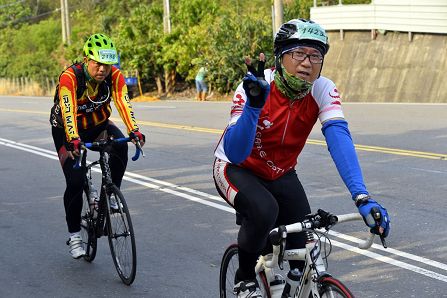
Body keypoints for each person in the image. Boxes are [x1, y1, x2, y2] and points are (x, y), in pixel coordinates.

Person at [212, 19, 390, 297]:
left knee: (304, 240)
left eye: (316, 55)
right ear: (280, 57)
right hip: (237, 168)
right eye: (298, 53)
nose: (307, 62)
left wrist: (362, 197)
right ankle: (244, 277)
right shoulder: (257, 86)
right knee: (264, 210)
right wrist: (253, 107)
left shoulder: (322, 88)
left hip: (281, 173)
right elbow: (235, 151)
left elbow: (339, 138)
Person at [50, 33, 146, 259]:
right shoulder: (70, 77)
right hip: (66, 129)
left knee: (121, 145)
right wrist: (72, 138)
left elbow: (123, 102)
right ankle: (74, 236)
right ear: (86, 59)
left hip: (98, 124)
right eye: (97, 63)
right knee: (74, 181)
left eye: (107, 64)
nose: (103, 69)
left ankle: (110, 194)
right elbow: (69, 110)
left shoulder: (115, 76)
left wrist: (134, 130)